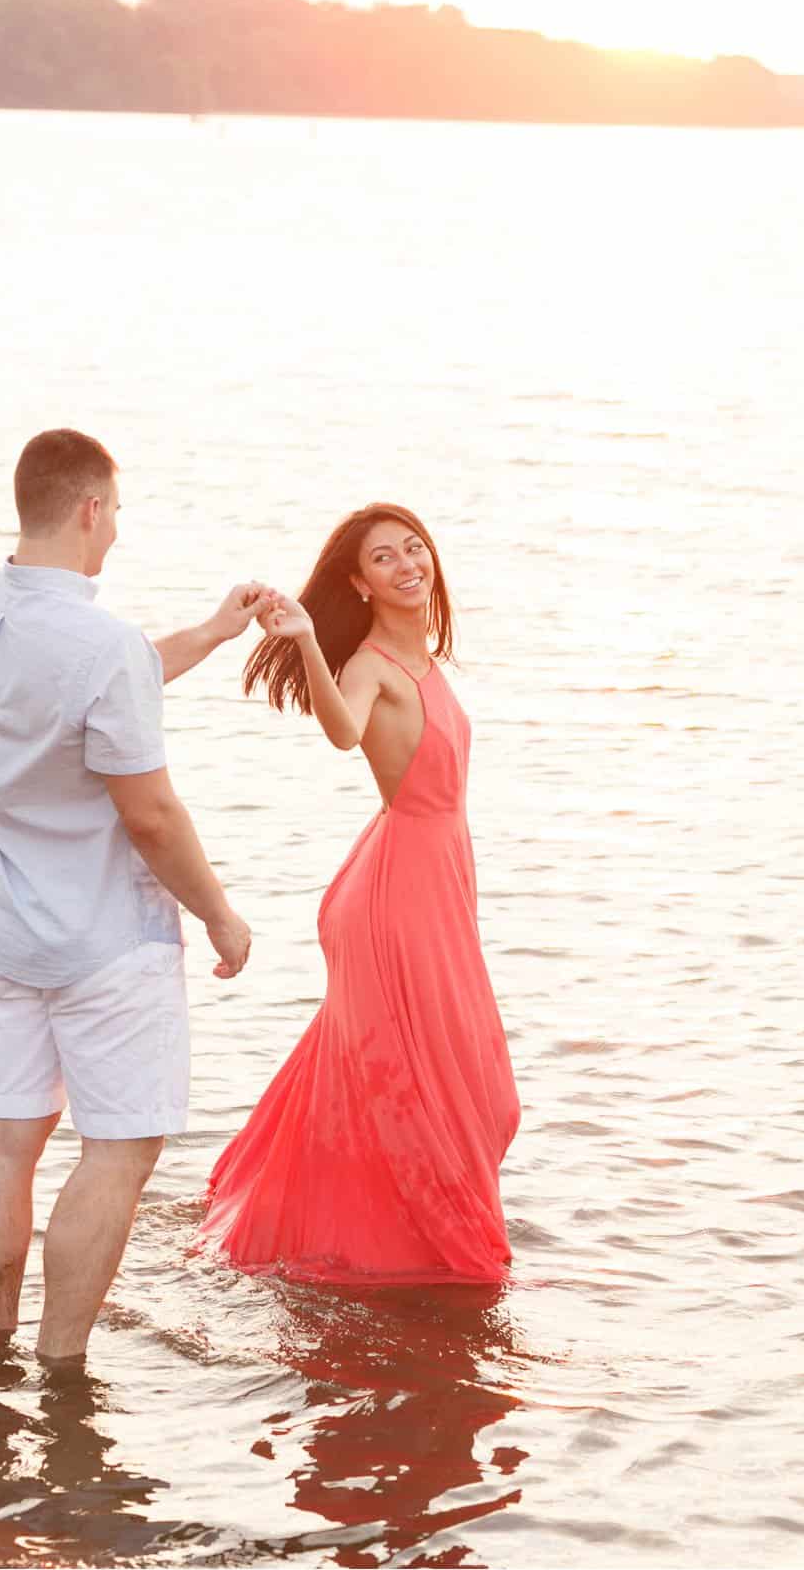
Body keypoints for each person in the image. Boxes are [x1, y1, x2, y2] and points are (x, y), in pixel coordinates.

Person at [0, 428, 270, 1362]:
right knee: (119, 1149)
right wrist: (218, 912)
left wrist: (210, 632)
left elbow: (103, 680)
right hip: (104, 945)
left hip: (6, 931)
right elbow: (155, 817)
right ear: (91, 509)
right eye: (116, 511)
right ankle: (62, 1367)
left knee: (10, 1135)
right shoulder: (101, 644)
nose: (117, 529)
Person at [197, 502, 519, 1283]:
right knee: (420, 1074)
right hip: (397, 893)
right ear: (359, 581)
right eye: (384, 557)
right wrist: (306, 639)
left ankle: (400, 1217)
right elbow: (343, 731)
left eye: (415, 548)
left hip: (433, 877)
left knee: (476, 1084)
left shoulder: (430, 659)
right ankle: (412, 1239)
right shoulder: (372, 663)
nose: (408, 564)